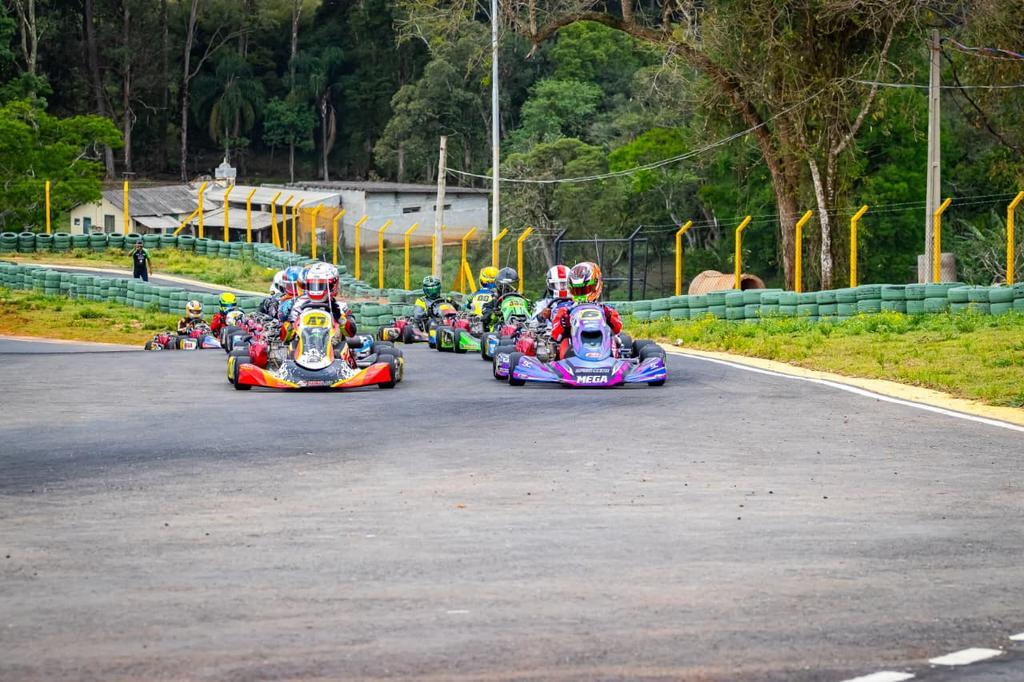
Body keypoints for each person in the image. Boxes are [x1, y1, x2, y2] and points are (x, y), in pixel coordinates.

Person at [550, 262, 622, 359]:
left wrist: (609, 317)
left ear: (596, 285)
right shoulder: (565, 310)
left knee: (614, 338)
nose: (581, 293)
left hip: (604, 347)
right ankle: (567, 360)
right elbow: (555, 335)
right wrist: (563, 324)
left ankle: (610, 357)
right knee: (564, 341)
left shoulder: (606, 309)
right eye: (577, 290)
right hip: (573, 351)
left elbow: (617, 328)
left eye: (585, 289)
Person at [287, 262, 357, 337]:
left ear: (332, 286)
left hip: (332, 343)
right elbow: (285, 337)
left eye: (321, 286)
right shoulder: (299, 305)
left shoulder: (341, 307)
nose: (316, 290)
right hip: (304, 342)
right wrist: (292, 324)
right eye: (313, 286)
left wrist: (339, 318)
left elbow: (351, 333)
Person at [479, 267, 527, 331]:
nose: (507, 289)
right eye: (503, 286)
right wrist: (494, 314)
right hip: (500, 330)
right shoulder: (494, 300)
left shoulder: (522, 299)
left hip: (523, 326)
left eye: (511, 286)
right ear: (498, 285)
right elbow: (485, 316)